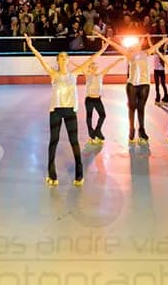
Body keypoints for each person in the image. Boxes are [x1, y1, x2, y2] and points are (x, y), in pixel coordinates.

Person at [24, 34, 108, 186]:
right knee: (53, 141)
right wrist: (31, 46)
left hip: (70, 111)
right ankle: (52, 173)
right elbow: (40, 58)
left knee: (74, 142)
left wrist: (103, 48)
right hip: (55, 111)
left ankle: (79, 173)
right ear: (58, 60)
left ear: (68, 60)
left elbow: (90, 59)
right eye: (61, 57)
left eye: (65, 57)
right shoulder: (53, 74)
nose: (63, 59)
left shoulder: (74, 74)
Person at [96, 32, 168, 143]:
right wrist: (102, 37)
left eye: (138, 44)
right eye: (134, 45)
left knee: (141, 108)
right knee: (131, 107)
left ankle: (142, 130)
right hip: (132, 85)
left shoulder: (146, 52)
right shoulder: (129, 54)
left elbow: (158, 44)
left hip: (144, 84)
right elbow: (114, 44)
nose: (136, 46)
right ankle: (131, 129)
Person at [73, 57, 123, 143]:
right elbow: (80, 67)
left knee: (102, 115)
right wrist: (70, 62)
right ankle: (90, 131)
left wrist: (117, 61)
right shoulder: (87, 74)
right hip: (89, 99)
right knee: (89, 116)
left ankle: (98, 130)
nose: (94, 69)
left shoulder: (101, 75)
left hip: (97, 100)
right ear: (89, 68)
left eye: (96, 67)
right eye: (92, 67)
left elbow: (110, 67)